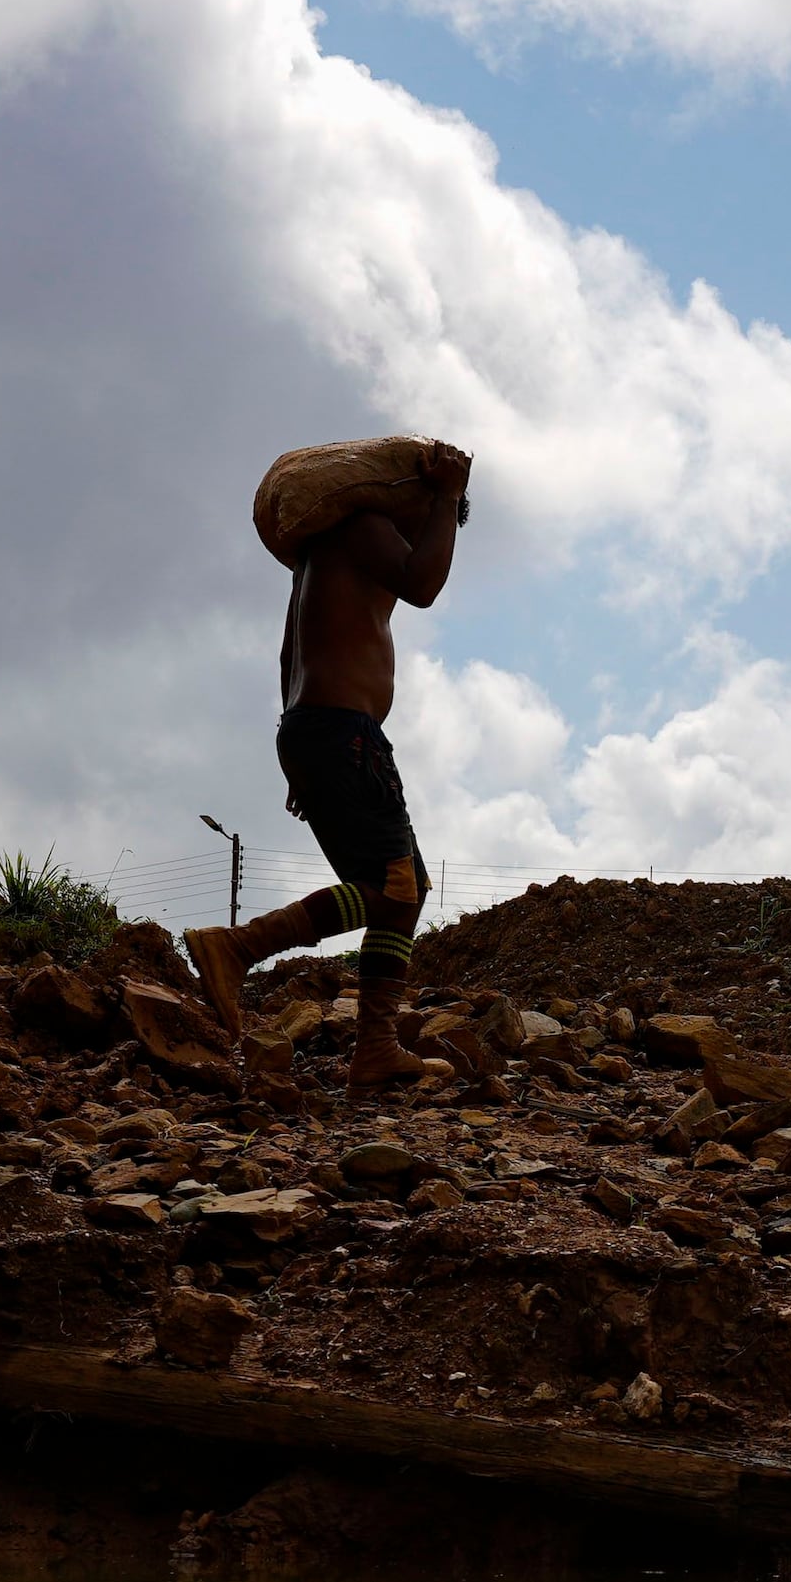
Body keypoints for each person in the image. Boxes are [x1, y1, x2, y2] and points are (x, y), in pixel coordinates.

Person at [192, 438, 474, 1101]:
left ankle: (375, 1048)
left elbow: (288, 653)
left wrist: (301, 748)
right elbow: (425, 586)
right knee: (394, 890)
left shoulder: (321, 554)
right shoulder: (367, 527)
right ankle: (237, 948)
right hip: (343, 734)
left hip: (321, 730)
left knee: (402, 889)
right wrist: (448, 495)